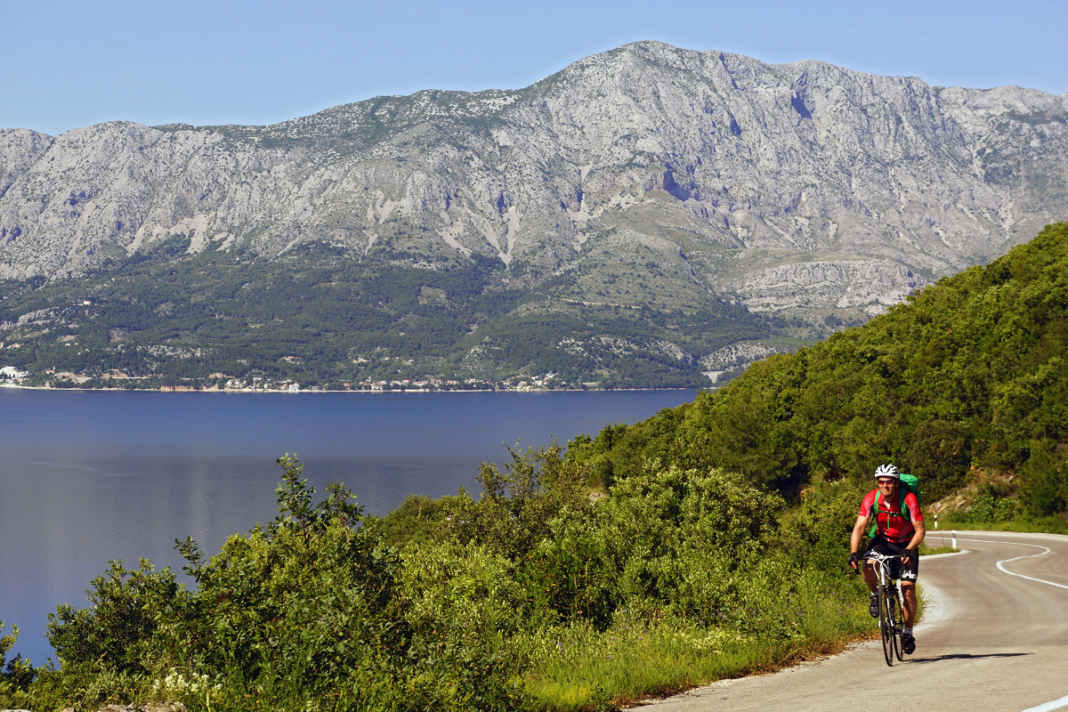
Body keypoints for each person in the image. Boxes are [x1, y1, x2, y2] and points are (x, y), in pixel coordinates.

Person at [848, 463, 926, 654]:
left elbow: (920, 530)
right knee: (868, 565)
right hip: (883, 540)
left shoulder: (908, 500)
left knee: (907, 590)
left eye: (889, 482)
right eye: (881, 482)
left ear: (896, 483)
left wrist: (908, 550)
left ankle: (908, 632)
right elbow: (859, 527)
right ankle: (877, 595)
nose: (885, 486)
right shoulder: (871, 499)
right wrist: (853, 552)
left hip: (907, 544)